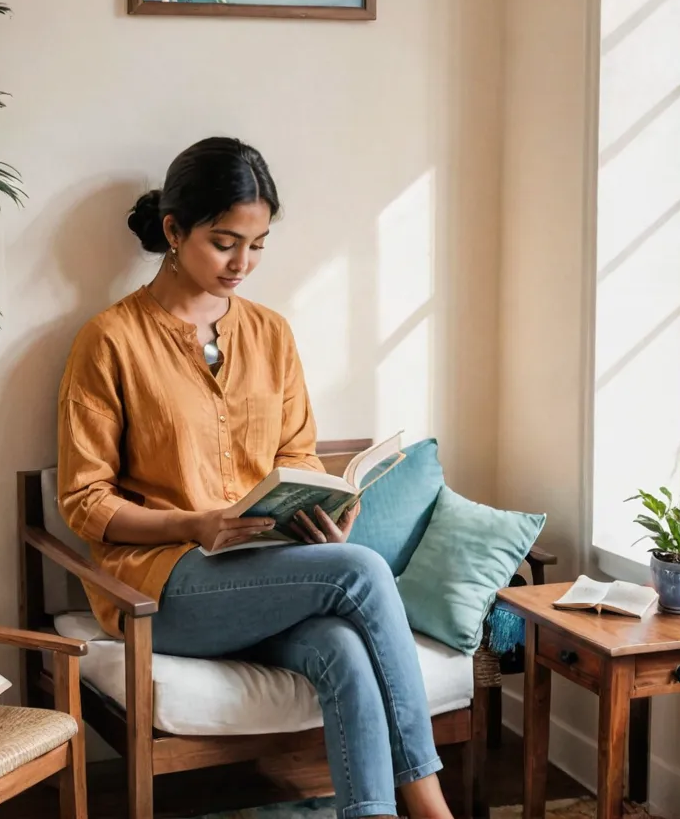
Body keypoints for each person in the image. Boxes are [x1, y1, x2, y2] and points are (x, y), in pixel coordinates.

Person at [58, 137, 457, 819]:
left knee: (342, 649)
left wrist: (321, 507)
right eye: (225, 242)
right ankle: (430, 805)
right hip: (163, 588)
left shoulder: (271, 334)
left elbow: (298, 452)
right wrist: (195, 523)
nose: (243, 263)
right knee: (359, 573)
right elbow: (84, 503)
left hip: (264, 575)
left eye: (259, 244)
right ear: (174, 231)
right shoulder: (111, 340)